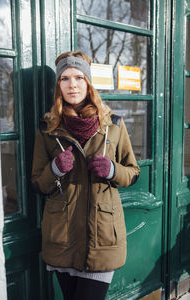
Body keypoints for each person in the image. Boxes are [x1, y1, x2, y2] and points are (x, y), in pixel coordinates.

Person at [31, 50, 140, 300]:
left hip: (101, 237)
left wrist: (112, 170)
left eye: (79, 77)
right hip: (63, 236)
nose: (72, 85)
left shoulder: (113, 124)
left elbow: (133, 172)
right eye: (65, 79)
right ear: (58, 85)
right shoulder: (48, 128)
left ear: (88, 82)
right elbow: (37, 183)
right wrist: (55, 169)